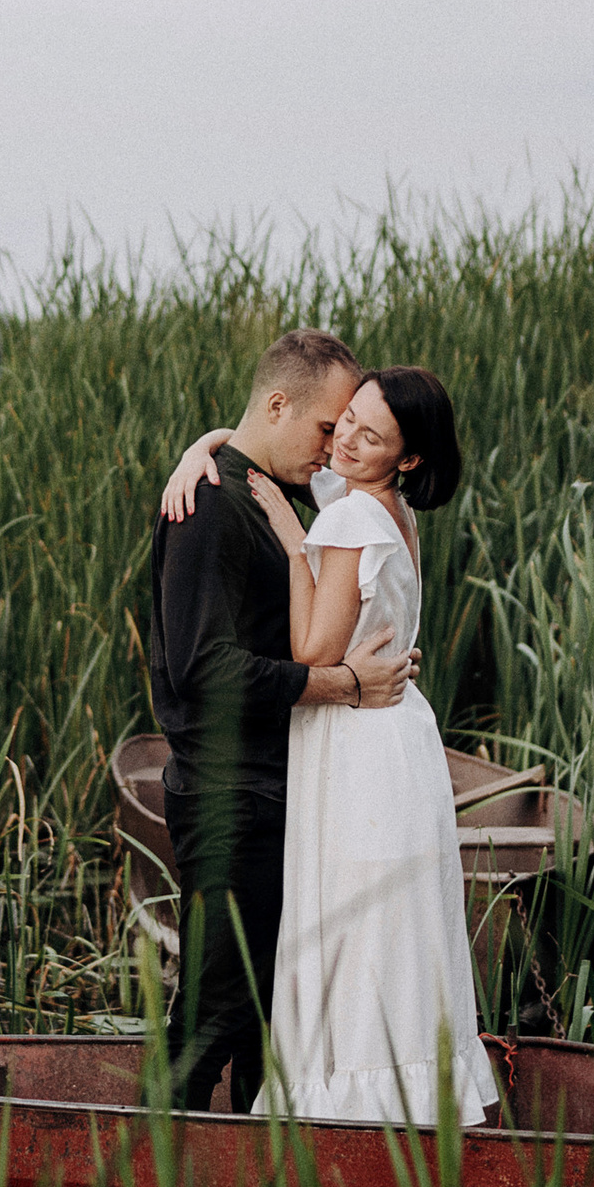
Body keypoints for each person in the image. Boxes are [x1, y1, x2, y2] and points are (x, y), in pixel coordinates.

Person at [161, 366, 495, 1126]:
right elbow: (262, 437)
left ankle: (342, 1111)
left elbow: (313, 651)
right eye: (342, 421)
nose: (343, 439)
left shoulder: (344, 518)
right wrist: (204, 449)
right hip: (402, 742)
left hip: (357, 747)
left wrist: (290, 542)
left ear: (405, 456)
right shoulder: (390, 509)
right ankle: (397, 1100)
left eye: (367, 434)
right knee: (387, 937)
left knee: (348, 936)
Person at [146, 329, 418, 1114]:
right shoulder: (207, 507)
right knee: (215, 1014)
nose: (337, 449)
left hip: (279, 801)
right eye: (328, 429)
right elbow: (204, 669)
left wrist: (214, 438)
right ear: (278, 405)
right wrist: (339, 683)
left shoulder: (260, 486)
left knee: (276, 1022)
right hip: (231, 802)